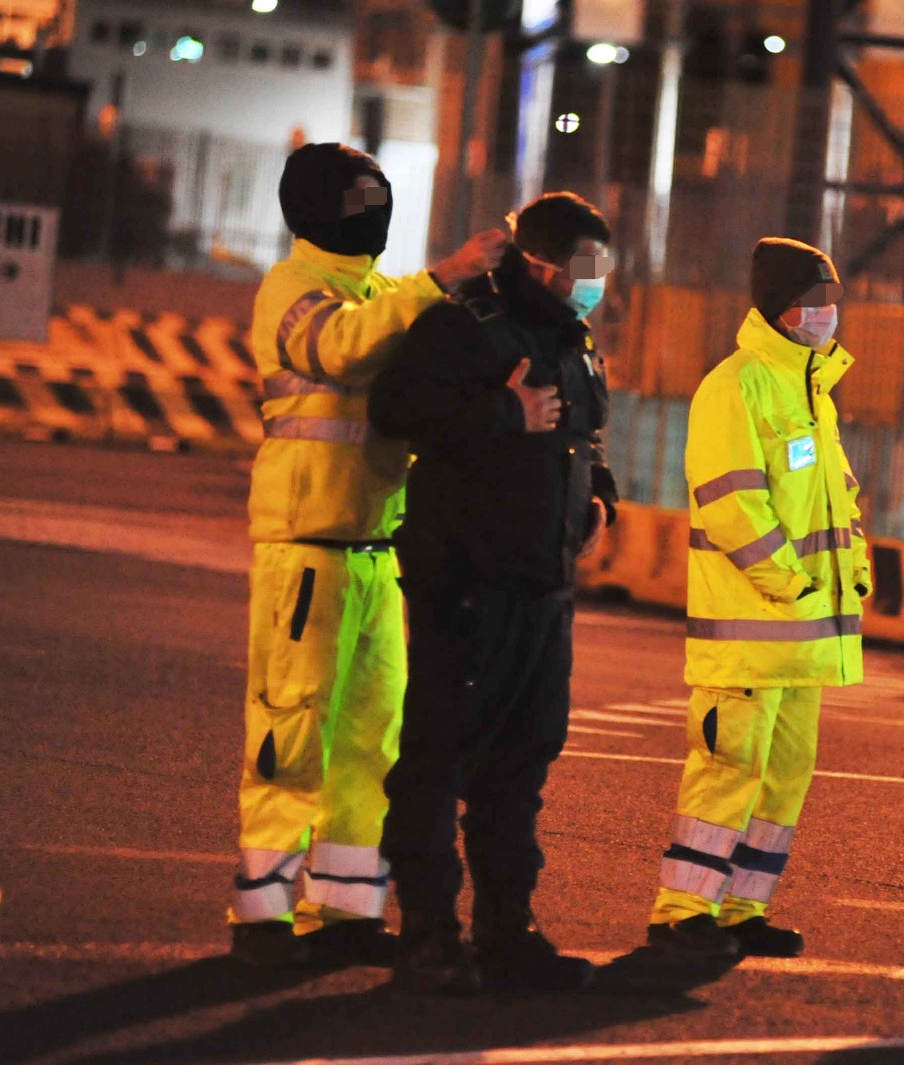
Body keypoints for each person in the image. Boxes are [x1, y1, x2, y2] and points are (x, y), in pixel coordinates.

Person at [230, 142, 506, 967]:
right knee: (290, 732)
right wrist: (440, 279)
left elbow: (427, 349)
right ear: (315, 208)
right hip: (305, 545)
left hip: (375, 547)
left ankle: (347, 908)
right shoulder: (295, 288)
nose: (371, 213)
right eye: (357, 200)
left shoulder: (383, 291)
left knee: (368, 738)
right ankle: (263, 918)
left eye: (378, 197)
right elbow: (341, 348)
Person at [368, 191, 618, 994]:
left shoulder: (571, 340)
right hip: (469, 582)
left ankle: (507, 929)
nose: (594, 285)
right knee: (440, 760)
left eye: (602, 272)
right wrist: (503, 412)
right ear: (538, 262)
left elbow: (584, 433)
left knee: (523, 760)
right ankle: (429, 935)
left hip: (544, 586)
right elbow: (396, 407)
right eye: (583, 269)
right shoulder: (463, 324)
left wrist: (600, 496)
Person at [644, 238, 870, 962]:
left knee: (783, 775)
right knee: (727, 767)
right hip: (754, 628)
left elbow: (836, 499)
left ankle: (742, 909)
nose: (827, 317)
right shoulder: (737, 385)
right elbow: (732, 504)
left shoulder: (813, 393)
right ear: (780, 308)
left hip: (801, 635)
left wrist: (853, 569)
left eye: (833, 304)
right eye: (814, 304)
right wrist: (793, 583)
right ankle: (682, 911)